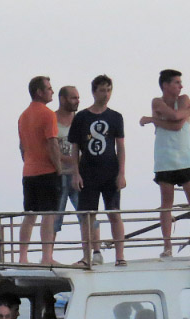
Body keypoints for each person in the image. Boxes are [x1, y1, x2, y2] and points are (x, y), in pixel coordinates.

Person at [140, 69, 190, 257]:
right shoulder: (157, 101)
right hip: (164, 159)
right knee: (167, 203)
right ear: (166, 85)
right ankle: (167, 246)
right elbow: (175, 119)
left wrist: (153, 120)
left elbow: (177, 122)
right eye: (176, 82)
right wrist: (185, 113)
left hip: (185, 158)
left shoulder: (184, 99)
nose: (180, 86)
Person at [69, 75, 127, 267]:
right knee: (88, 215)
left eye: (109, 90)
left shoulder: (115, 117)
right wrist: (75, 173)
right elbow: (75, 147)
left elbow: (121, 147)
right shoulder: (81, 117)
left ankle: (120, 256)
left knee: (114, 213)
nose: (106, 94)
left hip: (110, 171)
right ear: (94, 92)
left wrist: (121, 173)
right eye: (102, 90)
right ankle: (87, 256)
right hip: (88, 172)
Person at [18, 75, 63, 265]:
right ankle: (46, 257)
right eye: (49, 88)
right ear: (39, 91)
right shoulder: (48, 114)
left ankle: (22, 257)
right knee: (48, 214)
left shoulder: (23, 116)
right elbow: (52, 143)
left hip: (28, 171)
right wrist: (59, 168)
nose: (52, 91)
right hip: (46, 171)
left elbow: (22, 146)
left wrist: (28, 161)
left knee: (29, 215)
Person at [56, 85, 103, 263]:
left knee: (88, 214)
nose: (78, 101)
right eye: (74, 98)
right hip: (58, 174)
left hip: (80, 174)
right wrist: (70, 159)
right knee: (54, 216)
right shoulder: (52, 120)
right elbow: (50, 148)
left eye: (78, 97)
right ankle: (48, 256)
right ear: (63, 99)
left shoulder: (82, 120)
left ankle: (96, 252)